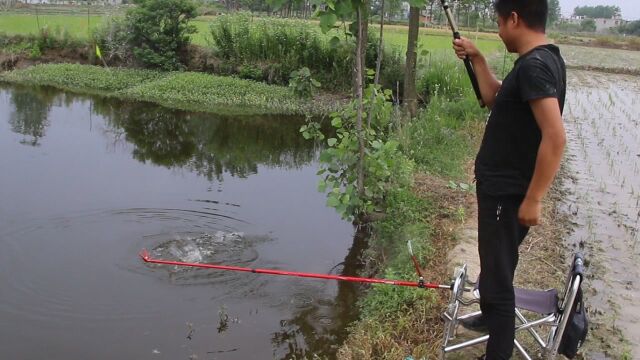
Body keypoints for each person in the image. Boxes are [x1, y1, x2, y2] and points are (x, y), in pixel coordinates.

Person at [451, 0, 567, 359]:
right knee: (498, 262)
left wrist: (534, 199)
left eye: (499, 23)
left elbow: (555, 136)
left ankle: (495, 345)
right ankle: (489, 316)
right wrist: (478, 58)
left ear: (515, 18)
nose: (499, 31)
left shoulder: (535, 66)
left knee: (499, 286)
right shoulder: (543, 60)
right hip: (501, 191)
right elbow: (494, 97)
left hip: (508, 194)